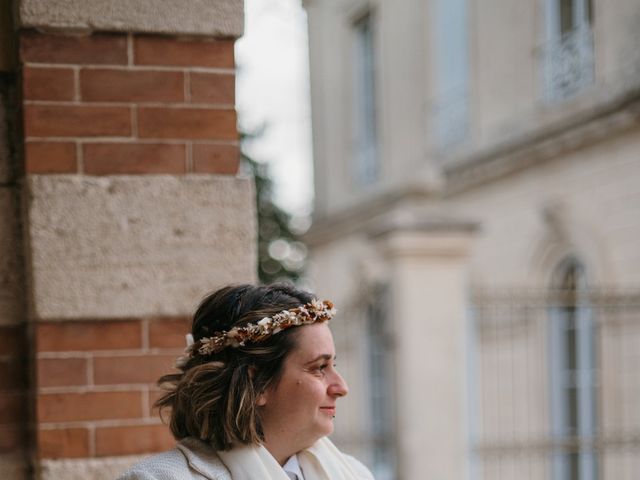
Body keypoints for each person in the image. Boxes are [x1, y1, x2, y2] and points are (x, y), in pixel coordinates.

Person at [118, 283, 374, 480]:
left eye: (334, 365)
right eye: (319, 367)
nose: (341, 387)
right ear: (256, 383)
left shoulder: (354, 473)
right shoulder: (160, 478)